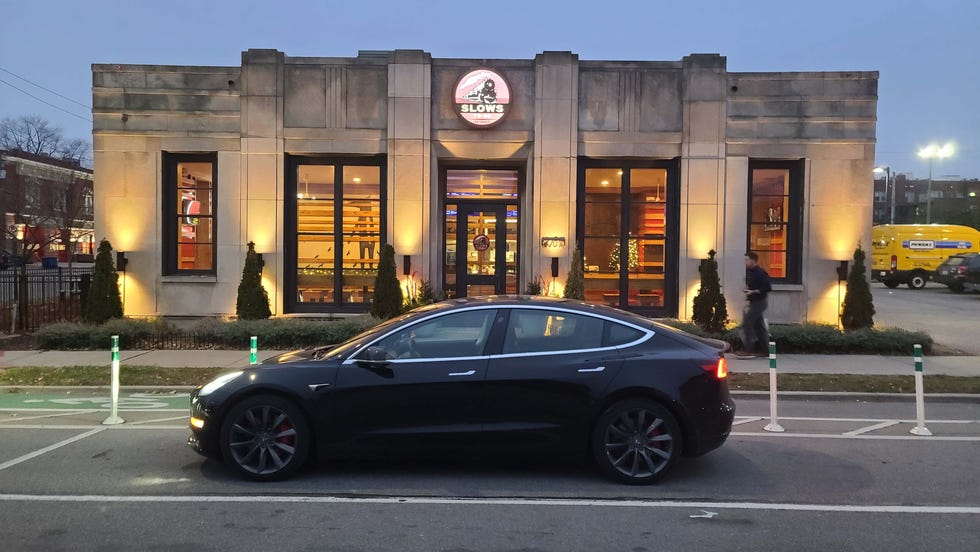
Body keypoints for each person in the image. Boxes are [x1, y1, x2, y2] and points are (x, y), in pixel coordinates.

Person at [735, 251, 772, 359]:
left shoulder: (761, 273)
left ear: (753, 260)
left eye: (747, 260)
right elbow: (750, 288)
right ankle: (766, 351)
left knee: (747, 323)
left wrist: (754, 291)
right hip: (753, 302)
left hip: (760, 302)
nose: (745, 262)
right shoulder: (750, 273)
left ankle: (748, 350)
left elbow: (767, 288)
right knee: (759, 327)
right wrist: (747, 295)